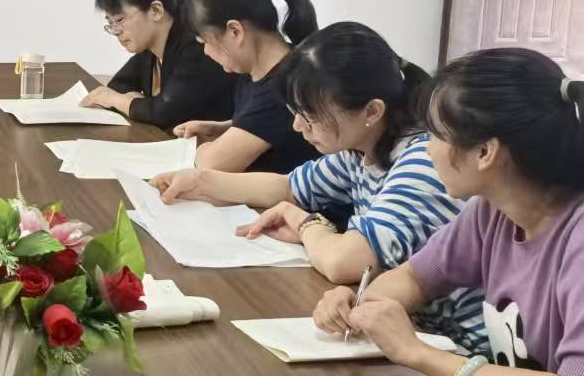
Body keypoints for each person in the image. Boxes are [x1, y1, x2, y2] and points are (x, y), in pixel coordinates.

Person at [316, 47, 584, 376]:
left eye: (436, 134)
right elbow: (414, 277)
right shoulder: (493, 210)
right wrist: (366, 306)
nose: (426, 148)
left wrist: (419, 354)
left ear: (485, 152)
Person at [153, 23, 484, 351]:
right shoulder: (362, 149)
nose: (298, 126)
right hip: (407, 327)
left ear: (371, 111)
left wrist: (306, 223)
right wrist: (201, 180)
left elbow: (344, 262)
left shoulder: (422, 162)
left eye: (310, 115)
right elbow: (287, 187)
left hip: (460, 346)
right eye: (295, 112)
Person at [177, 0, 319, 174]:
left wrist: (196, 149)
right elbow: (266, 128)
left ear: (235, 31)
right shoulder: (256, 73)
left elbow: (211, 164)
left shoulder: (285, 87)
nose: (206, 51)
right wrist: (221, 129)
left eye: (204, 41)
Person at [82, 0, 235, 128]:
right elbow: (118, 85)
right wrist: (136, 103)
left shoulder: (197, 42)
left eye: (120, 19)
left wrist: (120, 101)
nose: (116, 31)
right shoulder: (151, 43)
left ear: (156, 10)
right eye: (111, 23)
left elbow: (166, 113)